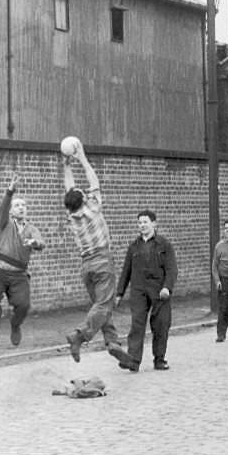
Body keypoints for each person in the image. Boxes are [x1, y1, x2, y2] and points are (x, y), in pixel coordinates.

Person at [61, 140, 131, 368]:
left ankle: (113, 342)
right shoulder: (93, 208)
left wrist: (66, 166)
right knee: (104, 304)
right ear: (83, 199)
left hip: (86, 266)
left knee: (102, 306)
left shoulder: (72, 216)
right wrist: (81, 158)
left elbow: (70, 189)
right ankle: (79, 336)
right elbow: (93, 180)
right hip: (102, 261)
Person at [0, 175, 46, 346]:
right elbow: (2, 208)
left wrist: (35, 243)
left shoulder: (32, 229)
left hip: (19, 274)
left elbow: (41, 243)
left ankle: (15, 325)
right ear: (11, 211)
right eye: (17, 206)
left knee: (24, 306)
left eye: (23, 205)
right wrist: (10, 192)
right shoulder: (4, 224)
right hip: (0, 270)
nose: (21, 208)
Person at [115, 210, 178, 372]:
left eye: (145, 222)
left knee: (161, 325)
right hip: (139, 290)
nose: (142, 225)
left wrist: (167, 287)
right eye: (140, 222)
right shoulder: (133, 247)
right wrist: (119, 293)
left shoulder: (164, 245)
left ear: (154, 224)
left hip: (159, 290)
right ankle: (133, 360)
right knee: (137, 325)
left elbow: (172, 269)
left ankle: (159, 359)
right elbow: (126, 271)